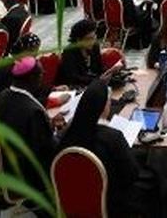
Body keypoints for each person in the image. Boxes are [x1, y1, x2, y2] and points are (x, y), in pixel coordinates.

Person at [56, 76, 143, 217]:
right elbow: (132, 175)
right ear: (103, 107)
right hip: (110, 207)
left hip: (72, 208)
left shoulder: (65, 135)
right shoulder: (113, 137)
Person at [0, 56, 67, 204]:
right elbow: (49, 149)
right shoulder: (32, 111)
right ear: (32, 78)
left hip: (9, 163)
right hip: (28, 174)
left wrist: (48, 124)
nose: (42, 78)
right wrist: (65, 131)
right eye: (41, 74)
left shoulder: (4, 95)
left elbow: (24, 129)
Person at [59, 18, 105, 87]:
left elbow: (99, 68)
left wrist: (109, 73)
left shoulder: (95, 46)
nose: (92, 41)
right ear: (78, 40)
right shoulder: (69, 52)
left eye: (94, 37)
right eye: (88, 39)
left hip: (94, 83)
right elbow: (74, 78)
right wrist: (97, 79)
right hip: (75, 87)